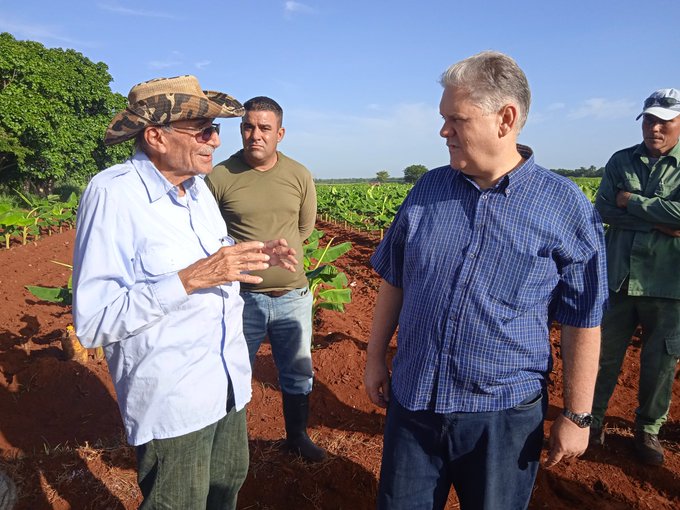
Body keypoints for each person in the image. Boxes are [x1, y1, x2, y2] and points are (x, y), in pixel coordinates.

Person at [364, 51, 608, 510]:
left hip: (502, 417)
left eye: (456, 119)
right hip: (414, 401)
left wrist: (577, 413)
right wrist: (376, 356)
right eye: (443, 119)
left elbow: (583, 319)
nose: (443, 131)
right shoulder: (427, 190)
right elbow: (395, 278)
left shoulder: (565, 206)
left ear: (505, 119)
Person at [73, 75, 299, 509]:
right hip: (175, 399)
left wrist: (251, 255)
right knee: (178, 501)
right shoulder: (114, 194)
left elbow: (212, 257)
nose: (216, 140)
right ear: (155, 136)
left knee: (226, 485)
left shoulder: (197, 189)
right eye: (203, 130)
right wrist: (191, 278)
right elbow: (95, 320)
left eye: (215, 129)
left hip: (227, 382)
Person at [206, 96, 323, 462]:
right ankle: (230, 450)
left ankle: (297, 437)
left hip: (293, 295)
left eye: (265, 128)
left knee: (297, 371)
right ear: (241, 130)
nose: (255, 134)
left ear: (280, 134)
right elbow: (208, 235)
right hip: (241, 298)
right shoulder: (220, 176)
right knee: (235, 372)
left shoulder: (299, 174)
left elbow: (305, 228)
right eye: (248, 127)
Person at [590, 88, 680, 466]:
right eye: (649, 119)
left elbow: (624, 205)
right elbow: (606, 210)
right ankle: (590, 420)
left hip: (668, 282)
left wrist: (634, 201)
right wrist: (663, 220)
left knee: (660, 362)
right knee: (603, 355)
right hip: (619, 277)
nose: (655, 128)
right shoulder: (620, 160)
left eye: (664, 121)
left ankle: (648, 429)